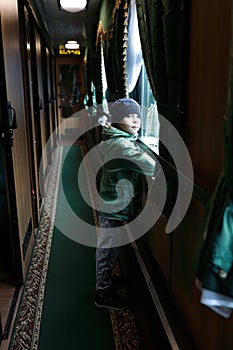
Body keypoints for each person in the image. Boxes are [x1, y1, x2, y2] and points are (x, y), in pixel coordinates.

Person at [95, 98, 156, 310]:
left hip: (115, 204)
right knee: (107, 248)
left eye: (137, 116)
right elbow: (147, 165)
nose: (135, 120)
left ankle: (106, 280)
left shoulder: (122, 138)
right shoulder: (119, 144)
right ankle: (102, 292)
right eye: (129, 116)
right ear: (117, 119)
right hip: (113, 206)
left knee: (111, 247)